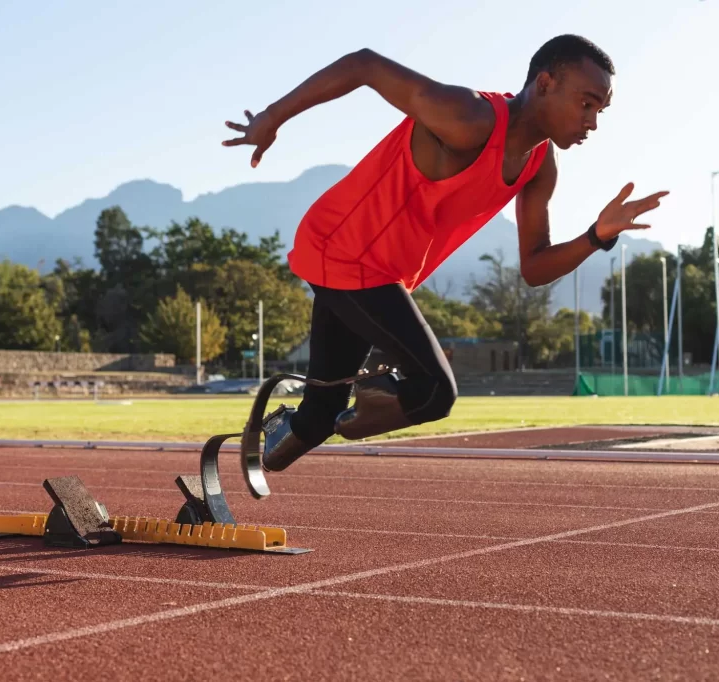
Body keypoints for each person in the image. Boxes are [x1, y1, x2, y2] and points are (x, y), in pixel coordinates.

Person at [222, 34, 669, 473]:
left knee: (320, 418)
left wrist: (596, 235)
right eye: (587, 103)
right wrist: (273, 117)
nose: (592, 122)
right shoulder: (468, 117)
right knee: (435, 391)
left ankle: (262, 446)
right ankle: (370, 393)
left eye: (600, 111)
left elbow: (534, 267)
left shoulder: (539, 165)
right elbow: (365, 65)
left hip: (382, 274)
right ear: (546, 83)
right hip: (343, 250)